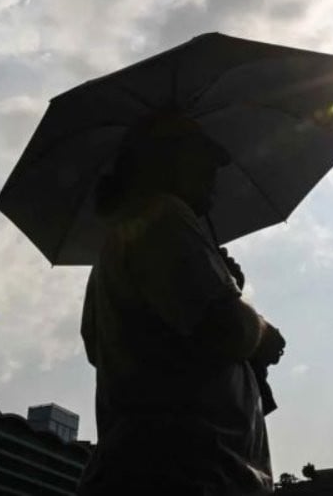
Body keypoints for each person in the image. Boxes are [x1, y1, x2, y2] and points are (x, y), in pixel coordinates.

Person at [78, 113, 285, 495]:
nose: (214, 174)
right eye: (202, 159)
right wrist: (262, 332)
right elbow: (226, 329)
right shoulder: (162, 217)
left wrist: (218, 278)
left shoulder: (120, 240)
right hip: (190, 474)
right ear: (166, 161)